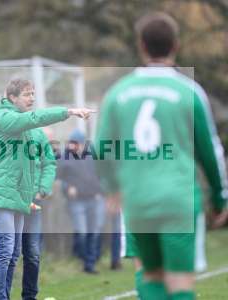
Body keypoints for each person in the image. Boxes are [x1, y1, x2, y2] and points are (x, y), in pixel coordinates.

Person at [94, 12, 228, 300]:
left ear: (141, 46)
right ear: (176, 45)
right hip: (177, 197)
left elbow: (101, 148)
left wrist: (112, 188)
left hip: (138, 199)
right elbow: (211, 151)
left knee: (150, 274)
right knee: (179, 281)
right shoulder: (189, 91)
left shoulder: (118, 92)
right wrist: (219, 198)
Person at [0, 78, 94, 300]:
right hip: (1, 196)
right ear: (12, 97)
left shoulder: (28, 130)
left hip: (19, 197)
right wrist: (70, 111)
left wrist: (31, 192)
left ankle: (12, 296)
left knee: (14, 254)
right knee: (5, 251)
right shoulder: (4, 118)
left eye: (33, 94)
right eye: (27, 94)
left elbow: (37, 163)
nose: (32, 98)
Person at [58, 129, 105, 274]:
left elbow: (102, 175)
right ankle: (83, 258)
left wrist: (100, 191)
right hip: (76, 201)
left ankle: (90, 263)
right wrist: (67, 187)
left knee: (95, 231)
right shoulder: (64, 158)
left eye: (77, 143)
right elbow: (58, 178)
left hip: (94, 198)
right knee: (82, 232)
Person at [21, 126, 56, 300]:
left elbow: (49, 163)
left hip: (34, 201)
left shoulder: (39, 135)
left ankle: (29, 296)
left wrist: (42, 190)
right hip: (9, 202)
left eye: (31, 95)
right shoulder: (3, 131)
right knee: (7, 254)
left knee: (32, 252)